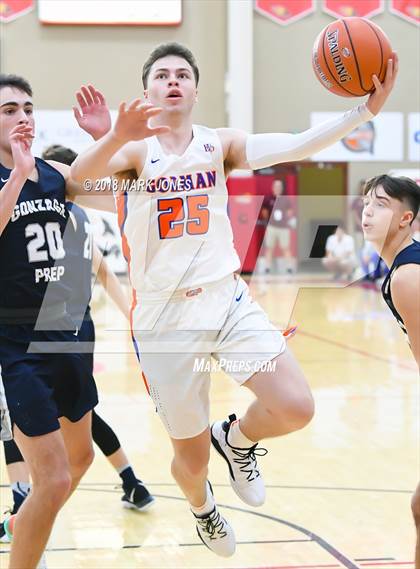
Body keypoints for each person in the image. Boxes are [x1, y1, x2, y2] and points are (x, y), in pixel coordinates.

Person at [70, 42, 397, 557]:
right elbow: (73, 185)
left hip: (225, 300)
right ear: (147, 91)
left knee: (296, 407)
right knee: (191, 462)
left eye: (182, 74)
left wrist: (364, 111)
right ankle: (203, 509)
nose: (173, 80)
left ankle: (238, 439)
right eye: (161, 75)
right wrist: (110, 135)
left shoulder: (217, 144)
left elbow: (295, 145)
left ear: (196, 90)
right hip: (164, 320)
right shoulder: (133, 154)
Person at [0, 75, 116, 569]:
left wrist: (104, 139)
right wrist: (17, 176)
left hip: (72, 337)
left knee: (82, 458)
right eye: (9, 109)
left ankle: (24, 528)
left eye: (27, 107)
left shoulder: (54, 173)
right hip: (18, 348)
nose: (23, 115)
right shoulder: (15, 176)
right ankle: (27, 547)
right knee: (53, 479)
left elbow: (119, 194)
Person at [362, 175, 420, 569]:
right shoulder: (401, 267)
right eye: (366, 202)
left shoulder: (407, 277)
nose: (367, 210)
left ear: (405, 218)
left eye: (381, 203)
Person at [262, 179, 295, 274]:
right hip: (272, 227)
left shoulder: (286, 200)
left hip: (283, 228)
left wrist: (285, 219)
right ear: (273, 188)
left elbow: (290, 212)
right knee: (269, 247)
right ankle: (267, 268)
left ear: (282, 188)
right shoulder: (268, 199)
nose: (277, 188)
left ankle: (289, 267)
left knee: (286, 247)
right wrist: (269, 222)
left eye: (279, 186)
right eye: (276, 186)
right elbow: (264, 212)